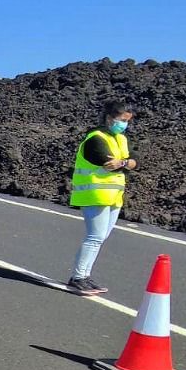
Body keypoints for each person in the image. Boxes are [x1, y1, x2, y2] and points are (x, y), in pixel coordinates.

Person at [67, 100, 138, 295]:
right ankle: (78, 277)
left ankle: (84, 276)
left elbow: (135, 161)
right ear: (109, 118)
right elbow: (106, 162)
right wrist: (126, 162)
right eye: (122, 120)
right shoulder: (95, 138)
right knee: (95, 236)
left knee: (101, 237)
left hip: (114, 195)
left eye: (127, 121)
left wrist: (123, 162)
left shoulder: (121, 139)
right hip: (94, 193)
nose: (124, 124)